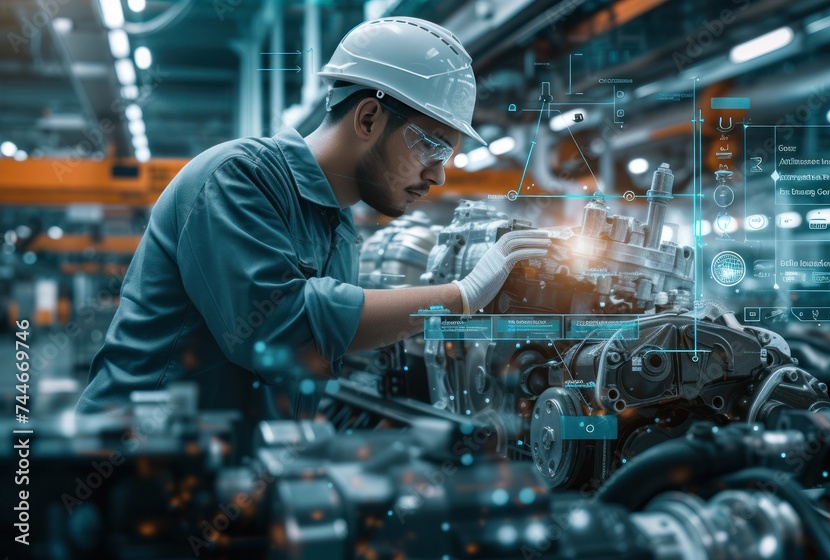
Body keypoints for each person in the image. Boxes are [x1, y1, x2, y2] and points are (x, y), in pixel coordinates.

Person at [75, 17, 550, 439]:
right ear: (368, 117)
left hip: (232, 474)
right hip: (135, 465)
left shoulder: (337, 229)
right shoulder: (236, 176)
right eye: (433, 147)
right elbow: (276, 332)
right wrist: (460, 296)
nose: (438, 175)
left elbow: (318, 359)